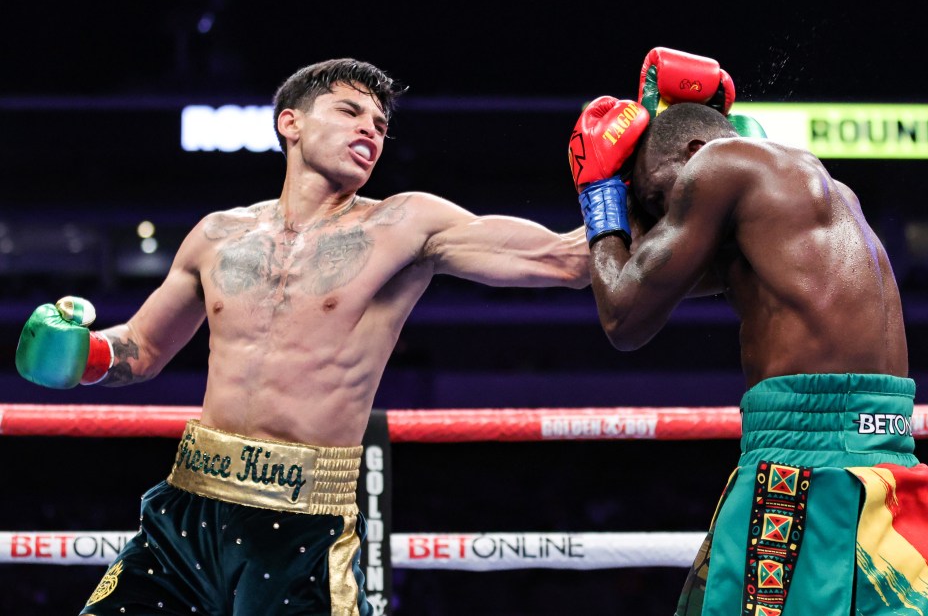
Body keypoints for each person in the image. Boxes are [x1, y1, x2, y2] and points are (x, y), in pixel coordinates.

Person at [15, 57, 590, 616]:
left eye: (381, 125)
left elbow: (563, 260)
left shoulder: (405, 224)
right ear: (291, 122)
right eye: (349, 111)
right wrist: (81, 352)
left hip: (302, 519)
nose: (371, 128)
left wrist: (614, 186)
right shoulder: (217, 234)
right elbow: (139, 350)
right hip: (188, 508)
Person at [566, 49, 928, 615]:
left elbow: (623, 318)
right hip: (886, 465)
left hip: (806, 463)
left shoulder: (718, 166)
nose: (665, 217)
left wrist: (600, 194)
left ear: (695, 154)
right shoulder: (819, 200)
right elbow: (643, 278)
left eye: (660, 196)